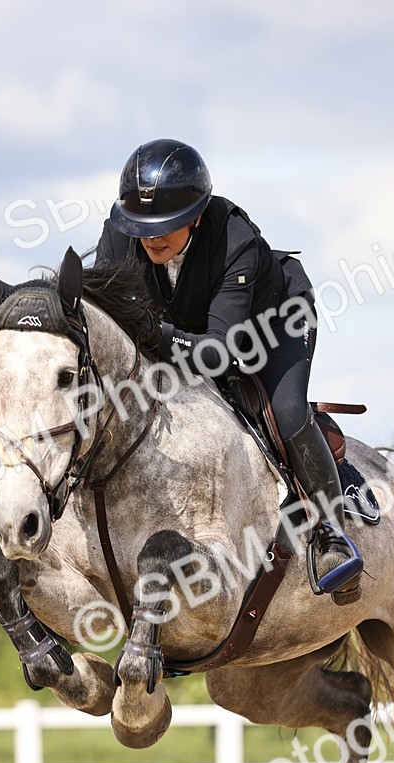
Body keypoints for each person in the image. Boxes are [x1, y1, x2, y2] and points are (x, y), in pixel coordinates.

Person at [95, 138, 363, 604]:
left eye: (168, 226)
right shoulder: (120, 235)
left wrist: (155, 335)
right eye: (143, 227)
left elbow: (221, 356)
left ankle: (330, 532)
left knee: (284, 407)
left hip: (271, 324)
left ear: (196, 216)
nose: (152, 238)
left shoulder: (236, 239)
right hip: (182, 326)